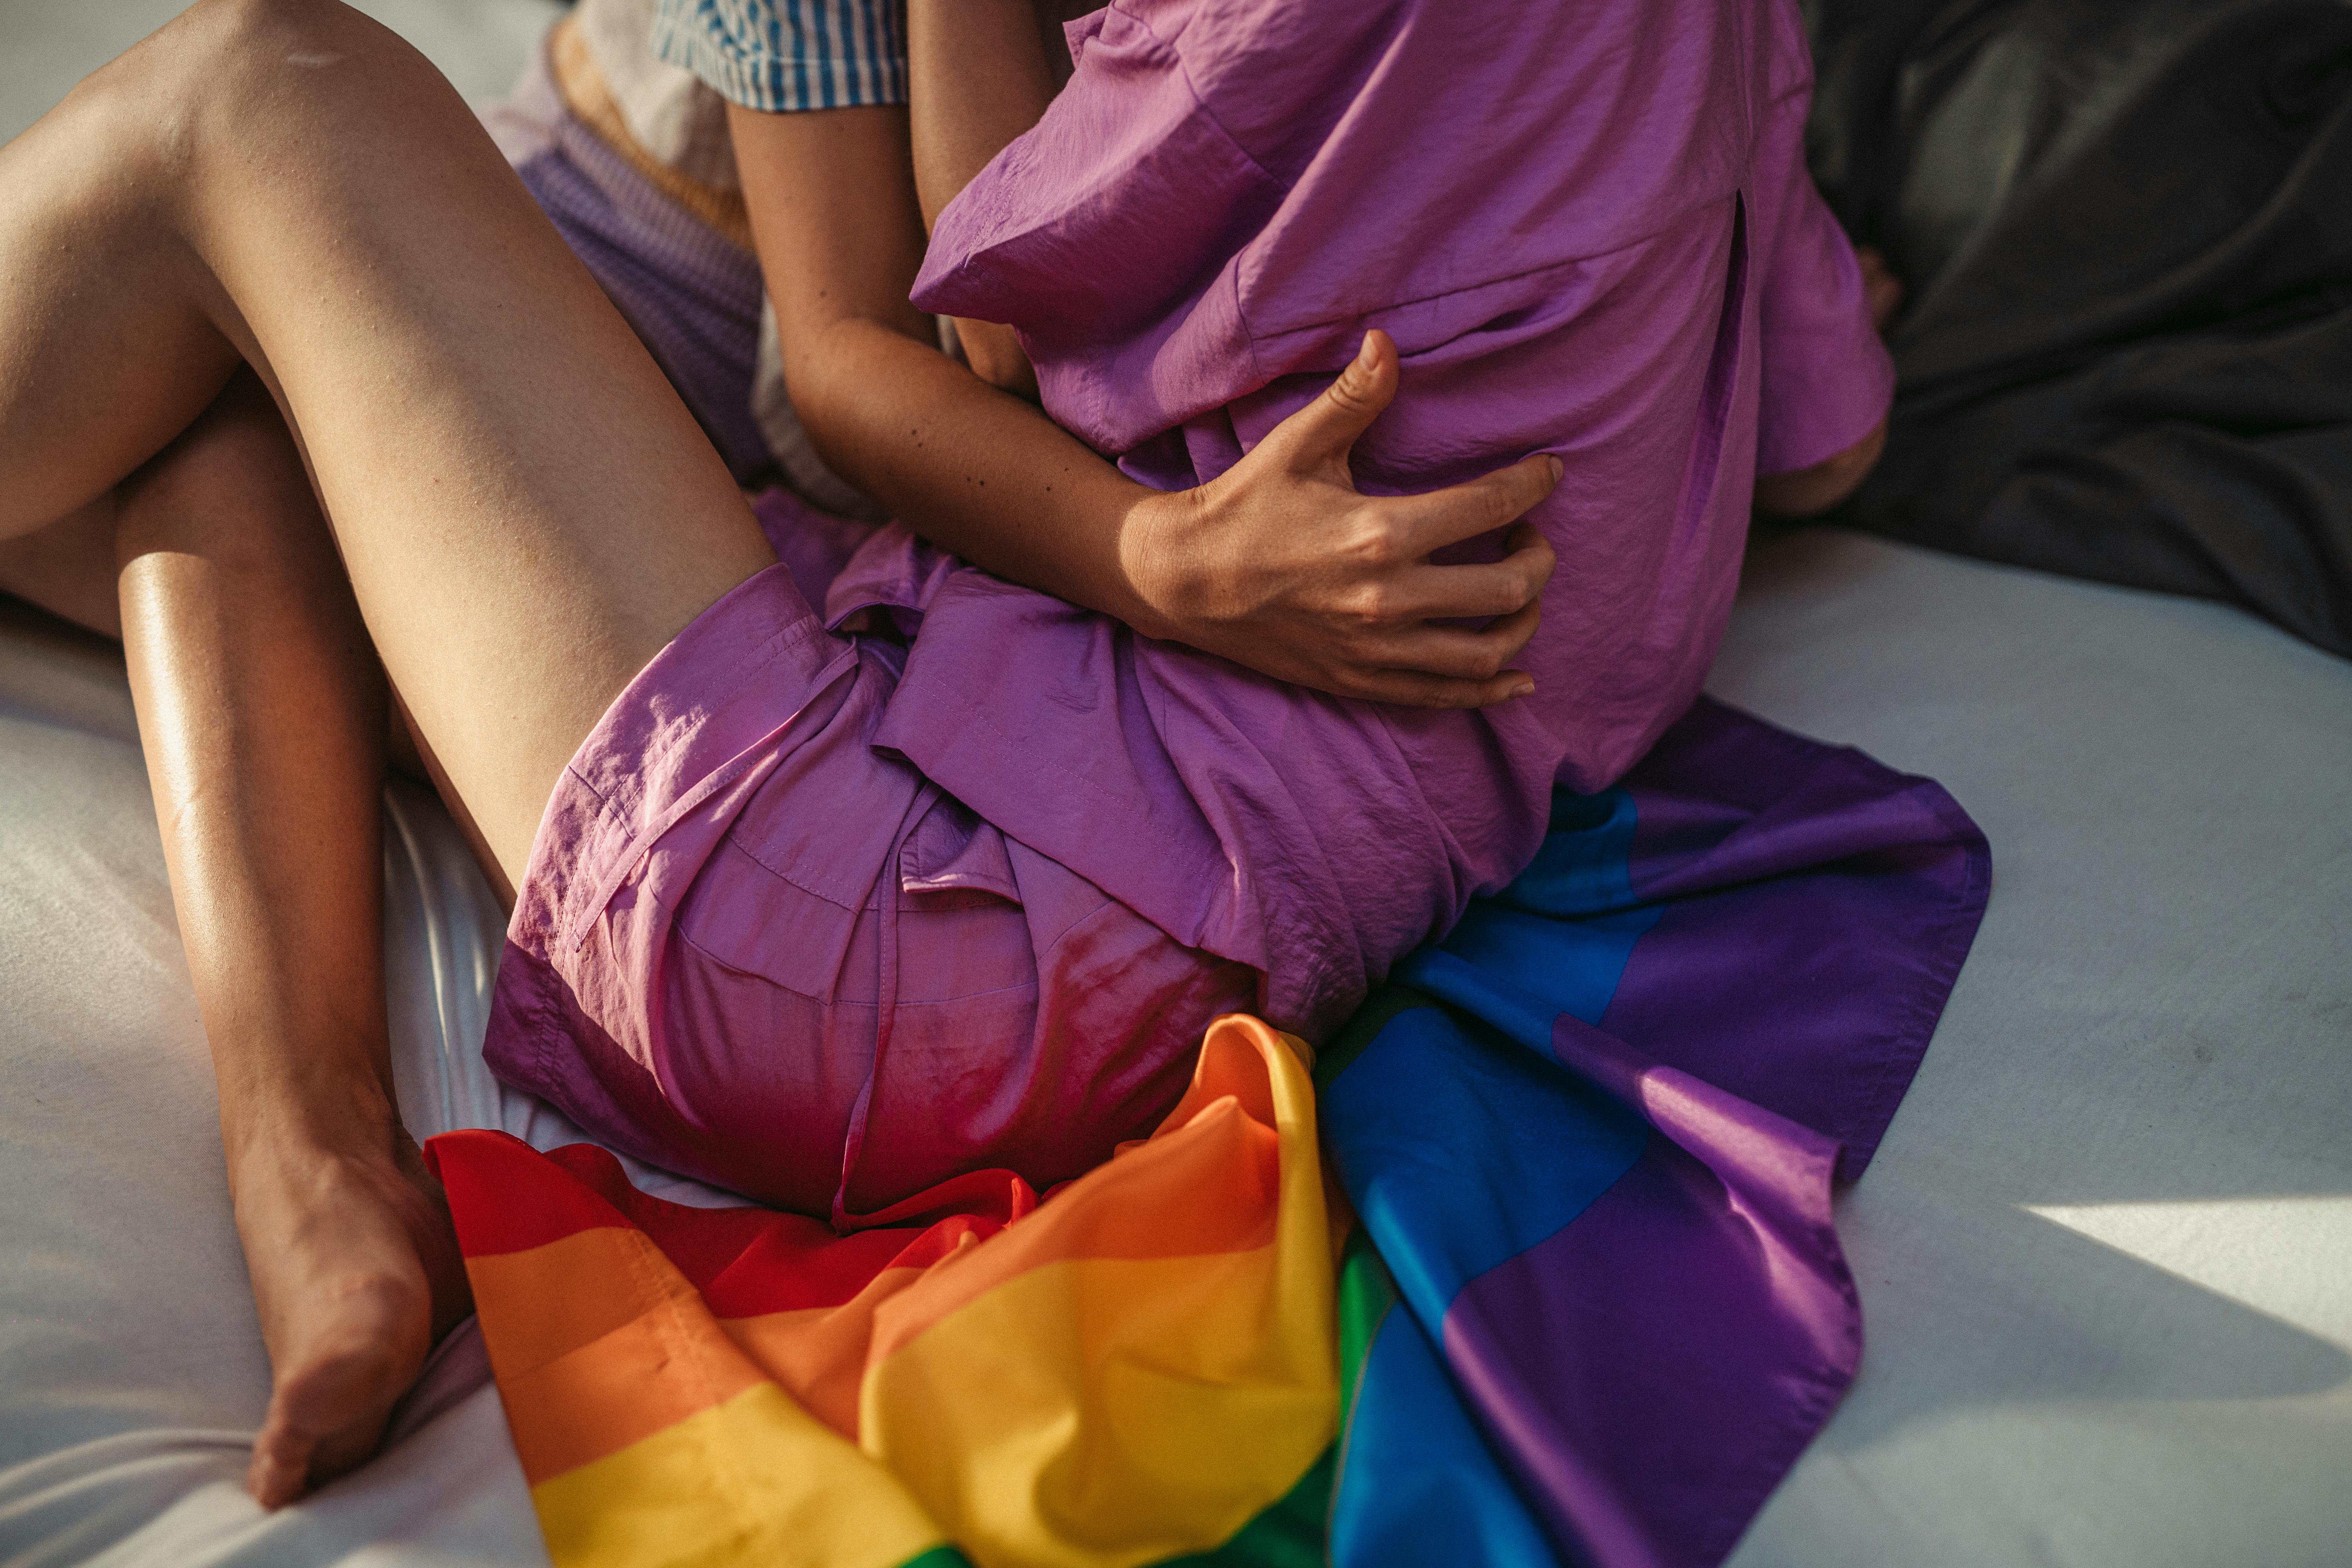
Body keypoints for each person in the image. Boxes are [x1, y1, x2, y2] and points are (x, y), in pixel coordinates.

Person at [0, 0, 1888, 1511]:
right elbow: (1823, 450)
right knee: (234, 438)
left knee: (261, 80)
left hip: (927, 907)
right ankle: (314, 1150)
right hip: (1097, 881)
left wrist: (1162, 549)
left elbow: (990, 306)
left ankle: (303, 1146)